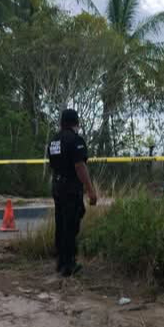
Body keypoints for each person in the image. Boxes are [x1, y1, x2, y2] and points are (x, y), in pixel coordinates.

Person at [47, 109, 98, 278]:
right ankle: (68, 265)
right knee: (71, 225)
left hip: (57, 186)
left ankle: (60, 261)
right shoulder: (76, 140)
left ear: (62, 122)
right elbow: (80, 166)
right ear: (75, 123)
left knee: (60, 224)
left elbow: (53, 164)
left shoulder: (54, 141)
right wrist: (90, 190)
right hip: (70, 188)